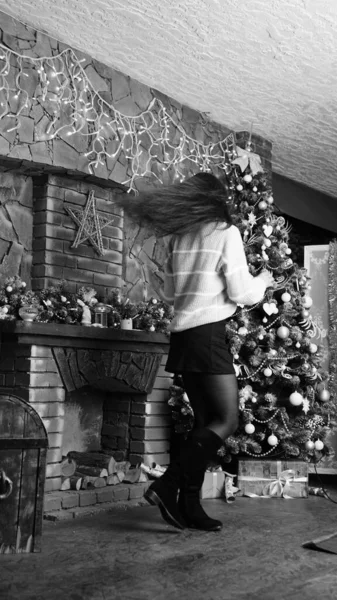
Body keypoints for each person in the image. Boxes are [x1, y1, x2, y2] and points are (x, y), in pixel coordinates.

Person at [118, 172, 274, 532]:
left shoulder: (180, 237)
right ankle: (167, 484)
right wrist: (263, 282)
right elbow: (240, 291)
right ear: (216, 199)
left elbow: (172, 295)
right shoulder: (225, 233)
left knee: (206, 423)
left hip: (185, 337)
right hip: (207, 336)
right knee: (227, 420)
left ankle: (189, 506)